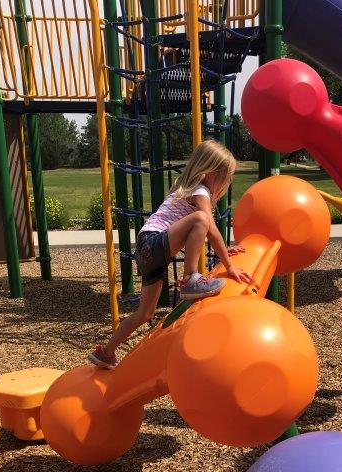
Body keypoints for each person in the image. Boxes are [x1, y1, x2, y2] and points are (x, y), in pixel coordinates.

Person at [88, 139, 251, 369]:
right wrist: (229, 264)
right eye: (227, 176)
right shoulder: (201, 190)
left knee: (145, 313)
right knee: (202, 219)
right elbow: (209, 226)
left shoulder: (185, 187)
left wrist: (224, 249)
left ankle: (105, 352)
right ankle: (191, 278)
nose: (229, 182)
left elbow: (200, 232)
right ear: (213, 173)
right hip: (153, 243)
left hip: (149, 251)